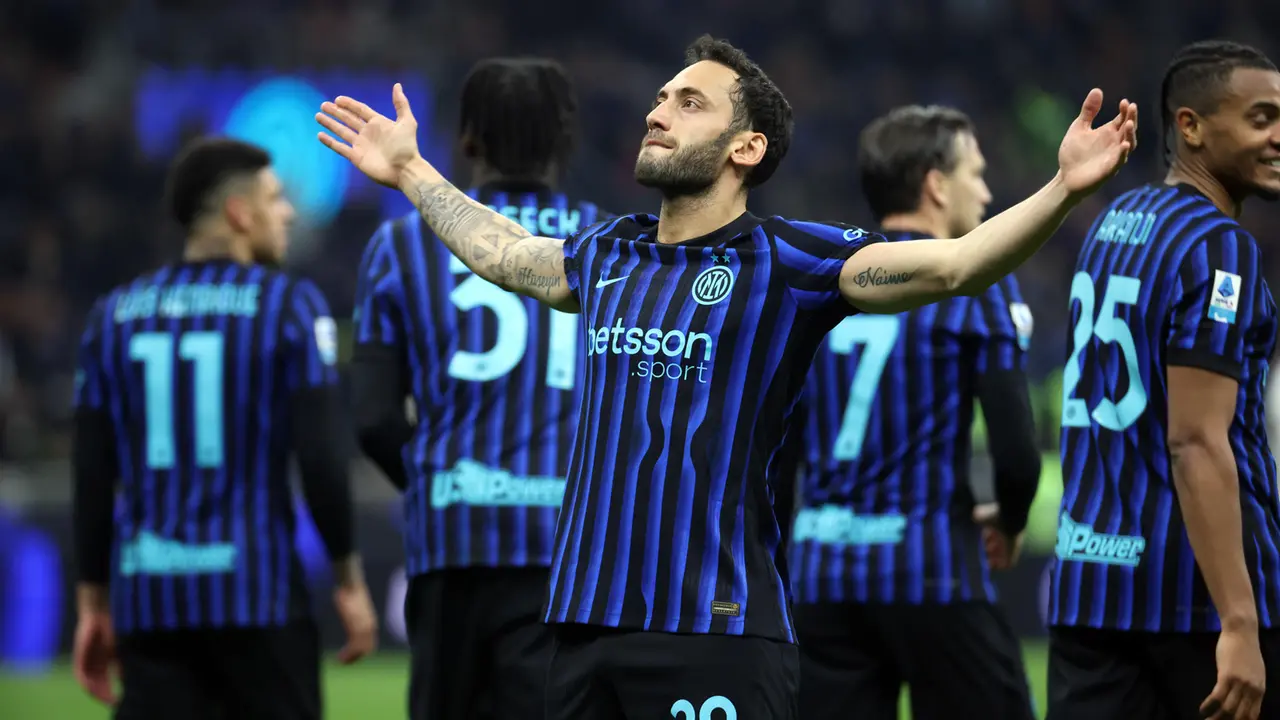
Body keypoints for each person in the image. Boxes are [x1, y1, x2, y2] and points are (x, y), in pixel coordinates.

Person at [317, 34, 1136, 719]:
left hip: (715, 635)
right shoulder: (609, 253)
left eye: (689, 102)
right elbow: (503, 253)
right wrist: (412, 174)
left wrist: (1063, 188)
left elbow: (956, 265)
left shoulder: (790, 261)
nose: (656, 111)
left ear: (746, 149)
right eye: (662, 97)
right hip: (578, 633)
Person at [70, 137, 378, 720]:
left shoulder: (112, 316)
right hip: (257, 599)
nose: (286, 212)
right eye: (275, 197)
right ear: (240, 213)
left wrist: (93, 603)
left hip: (150, 602)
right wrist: (347, 578)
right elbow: (320, 456)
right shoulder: (288, 306)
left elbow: (91, 472)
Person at [350, 57, 604, 720]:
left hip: (451, 545)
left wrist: (445, 482)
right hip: (569, 547)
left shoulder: (398, 245)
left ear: (466, 141)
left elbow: (373, 418)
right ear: (565, 140)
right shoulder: (612, 247)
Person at [1048, 40, 1280, 720]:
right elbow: (1196, 441)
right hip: (1192, 601)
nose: (1279, 136)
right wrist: (1239, 621)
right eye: (1262, 118)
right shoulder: (1220, 247)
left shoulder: (1114, 223)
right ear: (1192, 126)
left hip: (1090, 587)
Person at [789, 104, 1041, 720]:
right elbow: (1014, 449)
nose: (984, 191)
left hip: (819, 575)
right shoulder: (971, 281)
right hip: (932, 573)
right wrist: (1008, 518)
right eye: (974, 174)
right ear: (935, 184)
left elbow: (779, 441)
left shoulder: (826, 279)